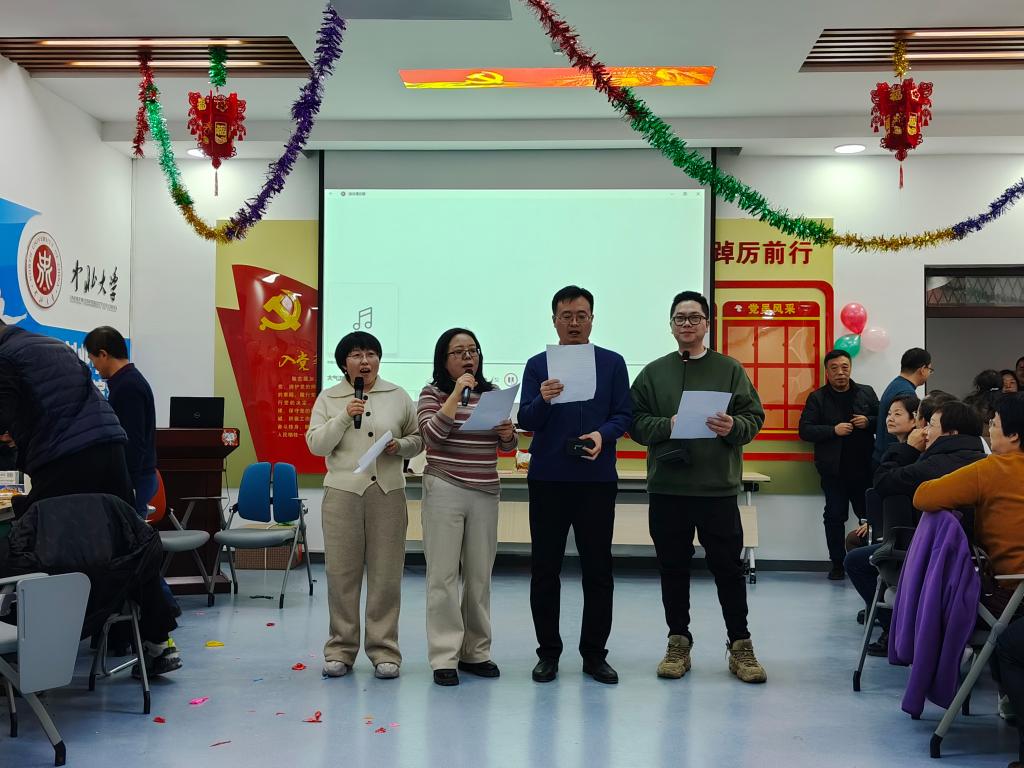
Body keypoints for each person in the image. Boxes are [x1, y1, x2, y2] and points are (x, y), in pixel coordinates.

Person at [630, 291, 767, 684]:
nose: (686, 324)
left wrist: (734, 426)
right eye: (680, 318)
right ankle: (678, 642)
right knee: (672, 569)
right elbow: (634, 421)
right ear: (671, 325)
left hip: (716, 490)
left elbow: (754, 417)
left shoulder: (729, 369)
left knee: (728, 570)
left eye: (694, 317)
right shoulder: (653, 373)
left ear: (707, 324)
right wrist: (667, 425)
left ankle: (740, 644)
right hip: (668, 489)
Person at [517, 286, 632, 685]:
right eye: (566, 316)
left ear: (592, 320)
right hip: (548, 479)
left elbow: (624, 415)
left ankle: (594, 655)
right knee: (544, 570)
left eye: (582, 315)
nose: (574, 323)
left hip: (596, 481)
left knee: (598, 570)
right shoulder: (538, 365)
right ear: (554, 321)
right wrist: (543, 399)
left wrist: (603, 435)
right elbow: (527, 420)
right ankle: (548, 653)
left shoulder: (612, 363)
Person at [306, 332, 423, 680]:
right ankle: (340, 650)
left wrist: (399, 446)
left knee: (387, 575)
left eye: (371, 354)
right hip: (343, 494)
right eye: (356, 355)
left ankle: (385, 650)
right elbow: (316, 444)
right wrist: (344, 416)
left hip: (388, 493)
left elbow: (417, 439)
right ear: (344, 363)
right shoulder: (329, 398)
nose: (365, 361)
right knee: (341, 575)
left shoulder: (397, 395)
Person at [416, 328, 518, 687]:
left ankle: (476, 651)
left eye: (472, 350)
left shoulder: (492, 394)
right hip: (444, 486)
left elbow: (508, 447)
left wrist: (507, 434)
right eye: (458, 352)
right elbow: (431, 435)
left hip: (485, 491)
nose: (467, 357)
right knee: (443, 576)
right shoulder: (432, 394)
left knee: (479, 576)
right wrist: (456, 395)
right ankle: (445, 656)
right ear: (444, 360)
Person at [850, 399, 986, 655]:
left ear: (951, 433)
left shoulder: (932, 466)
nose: (924, 431)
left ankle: (896, 631)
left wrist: (907, 449)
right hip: (977, 562)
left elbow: (883, 481)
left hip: (933, 565)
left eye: (931, 425)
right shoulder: (984, 462)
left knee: (858, 561)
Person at [0, 320, 131, 509]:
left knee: (46, 523)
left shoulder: (5, 355)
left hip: (67, 455)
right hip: (110, 446)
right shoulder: (54, 345)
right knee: (118, 522)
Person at [915, 392, 1024, 591]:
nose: (989, 430)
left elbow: (923, 496)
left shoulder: (993, 469)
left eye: (993, 424)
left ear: (1013, 435)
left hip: (1011, 588)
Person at [798, 349, 879, 580]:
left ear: (850, 368)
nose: (840, 372)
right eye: (834, 368)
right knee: (834, 517)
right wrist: (833, 430)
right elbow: (805, 430)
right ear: (827, 371)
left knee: (870, 518)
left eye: (845, 367)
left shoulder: (866, 392)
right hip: (833, 471)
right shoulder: (818, 398)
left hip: (865, 469)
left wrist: (869, 421)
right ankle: (837, 564)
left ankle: (871, 563)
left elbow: (886, 422)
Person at [84, 326, 157, 519]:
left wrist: (128, 485)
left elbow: (133, 441)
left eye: (92, 359)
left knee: (129, 534)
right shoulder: (128, 381)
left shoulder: (128, 386)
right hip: (137, 477)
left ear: (103, 354)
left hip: (134, 479)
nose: (94, 366)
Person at [872, 348, 931, 468]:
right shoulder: (906, 393)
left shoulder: (896, 384)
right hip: (891, 458)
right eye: (930, 369)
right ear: (922, 369)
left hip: (882, 455)